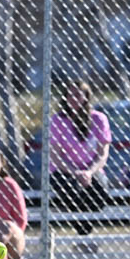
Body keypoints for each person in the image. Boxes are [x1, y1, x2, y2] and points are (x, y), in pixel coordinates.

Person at [49, 81, 111, 244]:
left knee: (100, 191)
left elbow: (103, 154)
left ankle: (83, 236)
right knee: (71, 189)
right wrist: (75, 172)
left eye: (78, 95)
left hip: (92, 170)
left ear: (86, 97)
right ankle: (84, 236)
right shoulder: (58, 120)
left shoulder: (99, 119)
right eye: (70, 95)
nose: (73, 99)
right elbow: (55, 156)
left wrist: (89, 172)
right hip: (64, 171)